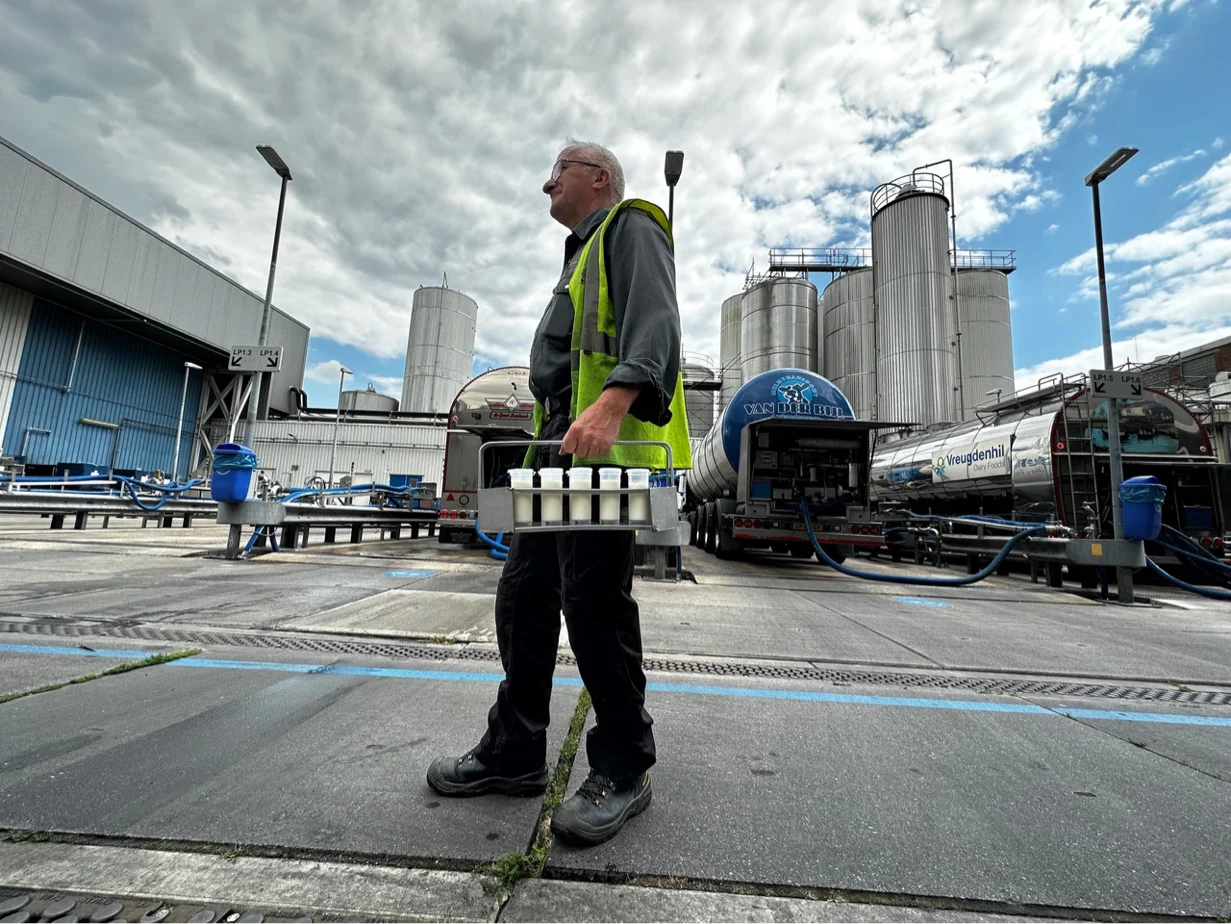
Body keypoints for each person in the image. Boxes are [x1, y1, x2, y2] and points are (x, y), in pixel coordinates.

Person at [426, 142, 692, 847]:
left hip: (602, 453)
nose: (547, 180)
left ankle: (625, 766)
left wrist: (610, 405)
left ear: (597, 177)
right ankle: (514, 753)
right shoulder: (579, 253)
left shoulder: (631, 224)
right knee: (524, 591)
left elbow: (655, 322)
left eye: (560, 169)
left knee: (594, 603)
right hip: (561, 447)